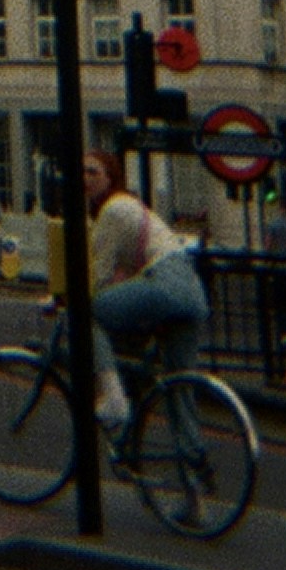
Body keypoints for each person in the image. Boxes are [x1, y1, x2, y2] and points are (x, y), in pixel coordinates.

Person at [81, 148, 209, 426]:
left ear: (110, 177)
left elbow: (99, 280)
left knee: (87, 313)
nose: (85, 178)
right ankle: (194, 461)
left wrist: (64, 300)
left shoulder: (113, 210)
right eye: (82, 172)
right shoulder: (132, 206)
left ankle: (114, 399)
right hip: (191, 287)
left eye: (93, 171)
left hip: (164, 281)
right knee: (179, 388)